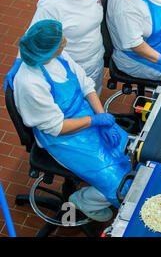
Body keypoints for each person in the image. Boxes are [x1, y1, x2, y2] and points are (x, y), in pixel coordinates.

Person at [13, 20, 132, 222]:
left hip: (86, 117)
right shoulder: (30, 83)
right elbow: (57, 127)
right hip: (63, 138)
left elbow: (86, 85)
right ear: (46, 50)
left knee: (130, 154)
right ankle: (84, 201)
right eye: (60, 42)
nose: (65, 42)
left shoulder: (58, 56)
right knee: (119, 184)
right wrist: (94, 121)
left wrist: (102, 117)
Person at [5, 0, 105, 96]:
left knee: (94, 93)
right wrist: (19, 62)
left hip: (96, 58)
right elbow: (33, 36)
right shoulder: (51, 5)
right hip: (74, 66)